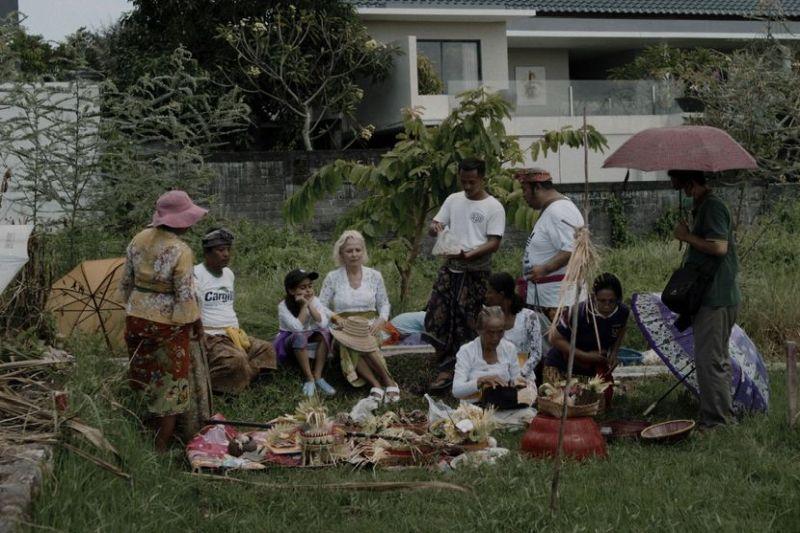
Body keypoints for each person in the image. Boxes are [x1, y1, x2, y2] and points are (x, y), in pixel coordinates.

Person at [120, 190, 207, 452]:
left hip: (136, 319)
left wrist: (136, 305)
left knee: (144, 378)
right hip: (166, 326)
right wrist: (196, 323)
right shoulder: (181, 250)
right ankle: (159, 448)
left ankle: (139, 434)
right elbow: (184, 295)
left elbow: (126, 283)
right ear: (182, 220)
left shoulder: (138, 239)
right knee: (169, 387)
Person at [425, 158, 506, 392]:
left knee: (468, 321)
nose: (468, 186)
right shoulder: (453, 200)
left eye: (472, 182)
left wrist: (469, 254)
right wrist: (435, 229)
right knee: (438, 315)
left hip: (476, 272)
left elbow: (494, 242)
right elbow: (436, 224)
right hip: (450, 268)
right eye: (464, 181)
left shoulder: (493, 207)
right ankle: (445, 366)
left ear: (482, 178)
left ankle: (467, 370)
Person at [670, 169, 740, 429]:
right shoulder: (702, 207)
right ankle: (720, 413)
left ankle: (717, 422)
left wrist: (687, 236)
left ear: (690, 183)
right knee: (712, 358)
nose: (679, 191)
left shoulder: (713, 207)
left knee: (710, 360)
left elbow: (719, 247)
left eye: (679, 185)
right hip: (709, 296)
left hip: (716, 297)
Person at [319, 230, 400, 402]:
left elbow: (384, 303)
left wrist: (382, 319)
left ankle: (386, 381)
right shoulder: (332, 277)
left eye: (358, 250)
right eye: (349, 251)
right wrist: (335, 318)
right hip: (343, 327)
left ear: (363, 251)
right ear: (341, 253)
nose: (354, 254)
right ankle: (378, 384)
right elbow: (321, 305)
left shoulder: (374, 276)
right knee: (347, 342)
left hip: (369, 325)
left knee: (363, 339)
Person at [194, 228, 277, 395]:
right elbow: (193, 310)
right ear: (207, 253)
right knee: (235, 360)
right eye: (220, 250)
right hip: (211, 336)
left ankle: (247, 381)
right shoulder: (196, 274)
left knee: (266, 348)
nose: (226, 254)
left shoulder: (229, 274)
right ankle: (224, 390)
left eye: (228, 249)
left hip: (234, 334)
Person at [516, 168, 584, 348]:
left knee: (553, 352)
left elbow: (572, 249)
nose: (523, 196)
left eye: (524, 190)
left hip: (555, 301)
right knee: (540, 350)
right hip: (546, 297)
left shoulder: (558, 211)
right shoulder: (553, 209)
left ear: (537, 187)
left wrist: (544, 269)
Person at [542, 273, 629, 409]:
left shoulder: (622, 312)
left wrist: (613, 353)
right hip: (562, 366)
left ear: (618, 299)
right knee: (565, 407)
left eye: (611, 301)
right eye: (602, 301)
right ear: (594, 297)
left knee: (595, 409)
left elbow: (621, 329)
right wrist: (586, 356)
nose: (607, 306)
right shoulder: (579, 312)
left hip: (591, 369)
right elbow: (554, 338)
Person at [452, 306, 536, 427]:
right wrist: (481, 381)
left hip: (503, 405)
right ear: (479, 330)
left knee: (527, 410)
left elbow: (518, 379)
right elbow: (456, 391)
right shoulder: (467, 351)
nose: (495, 338)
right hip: (474, 407)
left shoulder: (509, 348)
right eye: (490, 333)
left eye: (500, 332)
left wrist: (519, 384)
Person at [275, 269, 335, 397]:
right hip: (288, 339)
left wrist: (309, 305)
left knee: (326, 332)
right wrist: (303, 306)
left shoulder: (315, 301)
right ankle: (309, 378)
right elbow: (296, 328)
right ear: (291, 291)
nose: (308, 290)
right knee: (300, 336)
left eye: (310, 286)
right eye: (303, 287)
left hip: (308, 334)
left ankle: (318, 376)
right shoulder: (283, 306)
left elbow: (323, 323)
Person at [484, 272, 542, 384]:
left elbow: (536, 354)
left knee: (521, 399)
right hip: (496, 375)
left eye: (490, 292)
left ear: (501, 294)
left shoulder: (529, 317)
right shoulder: (490, 317)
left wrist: (519, 376)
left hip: (522, 375)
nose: (486, 295)